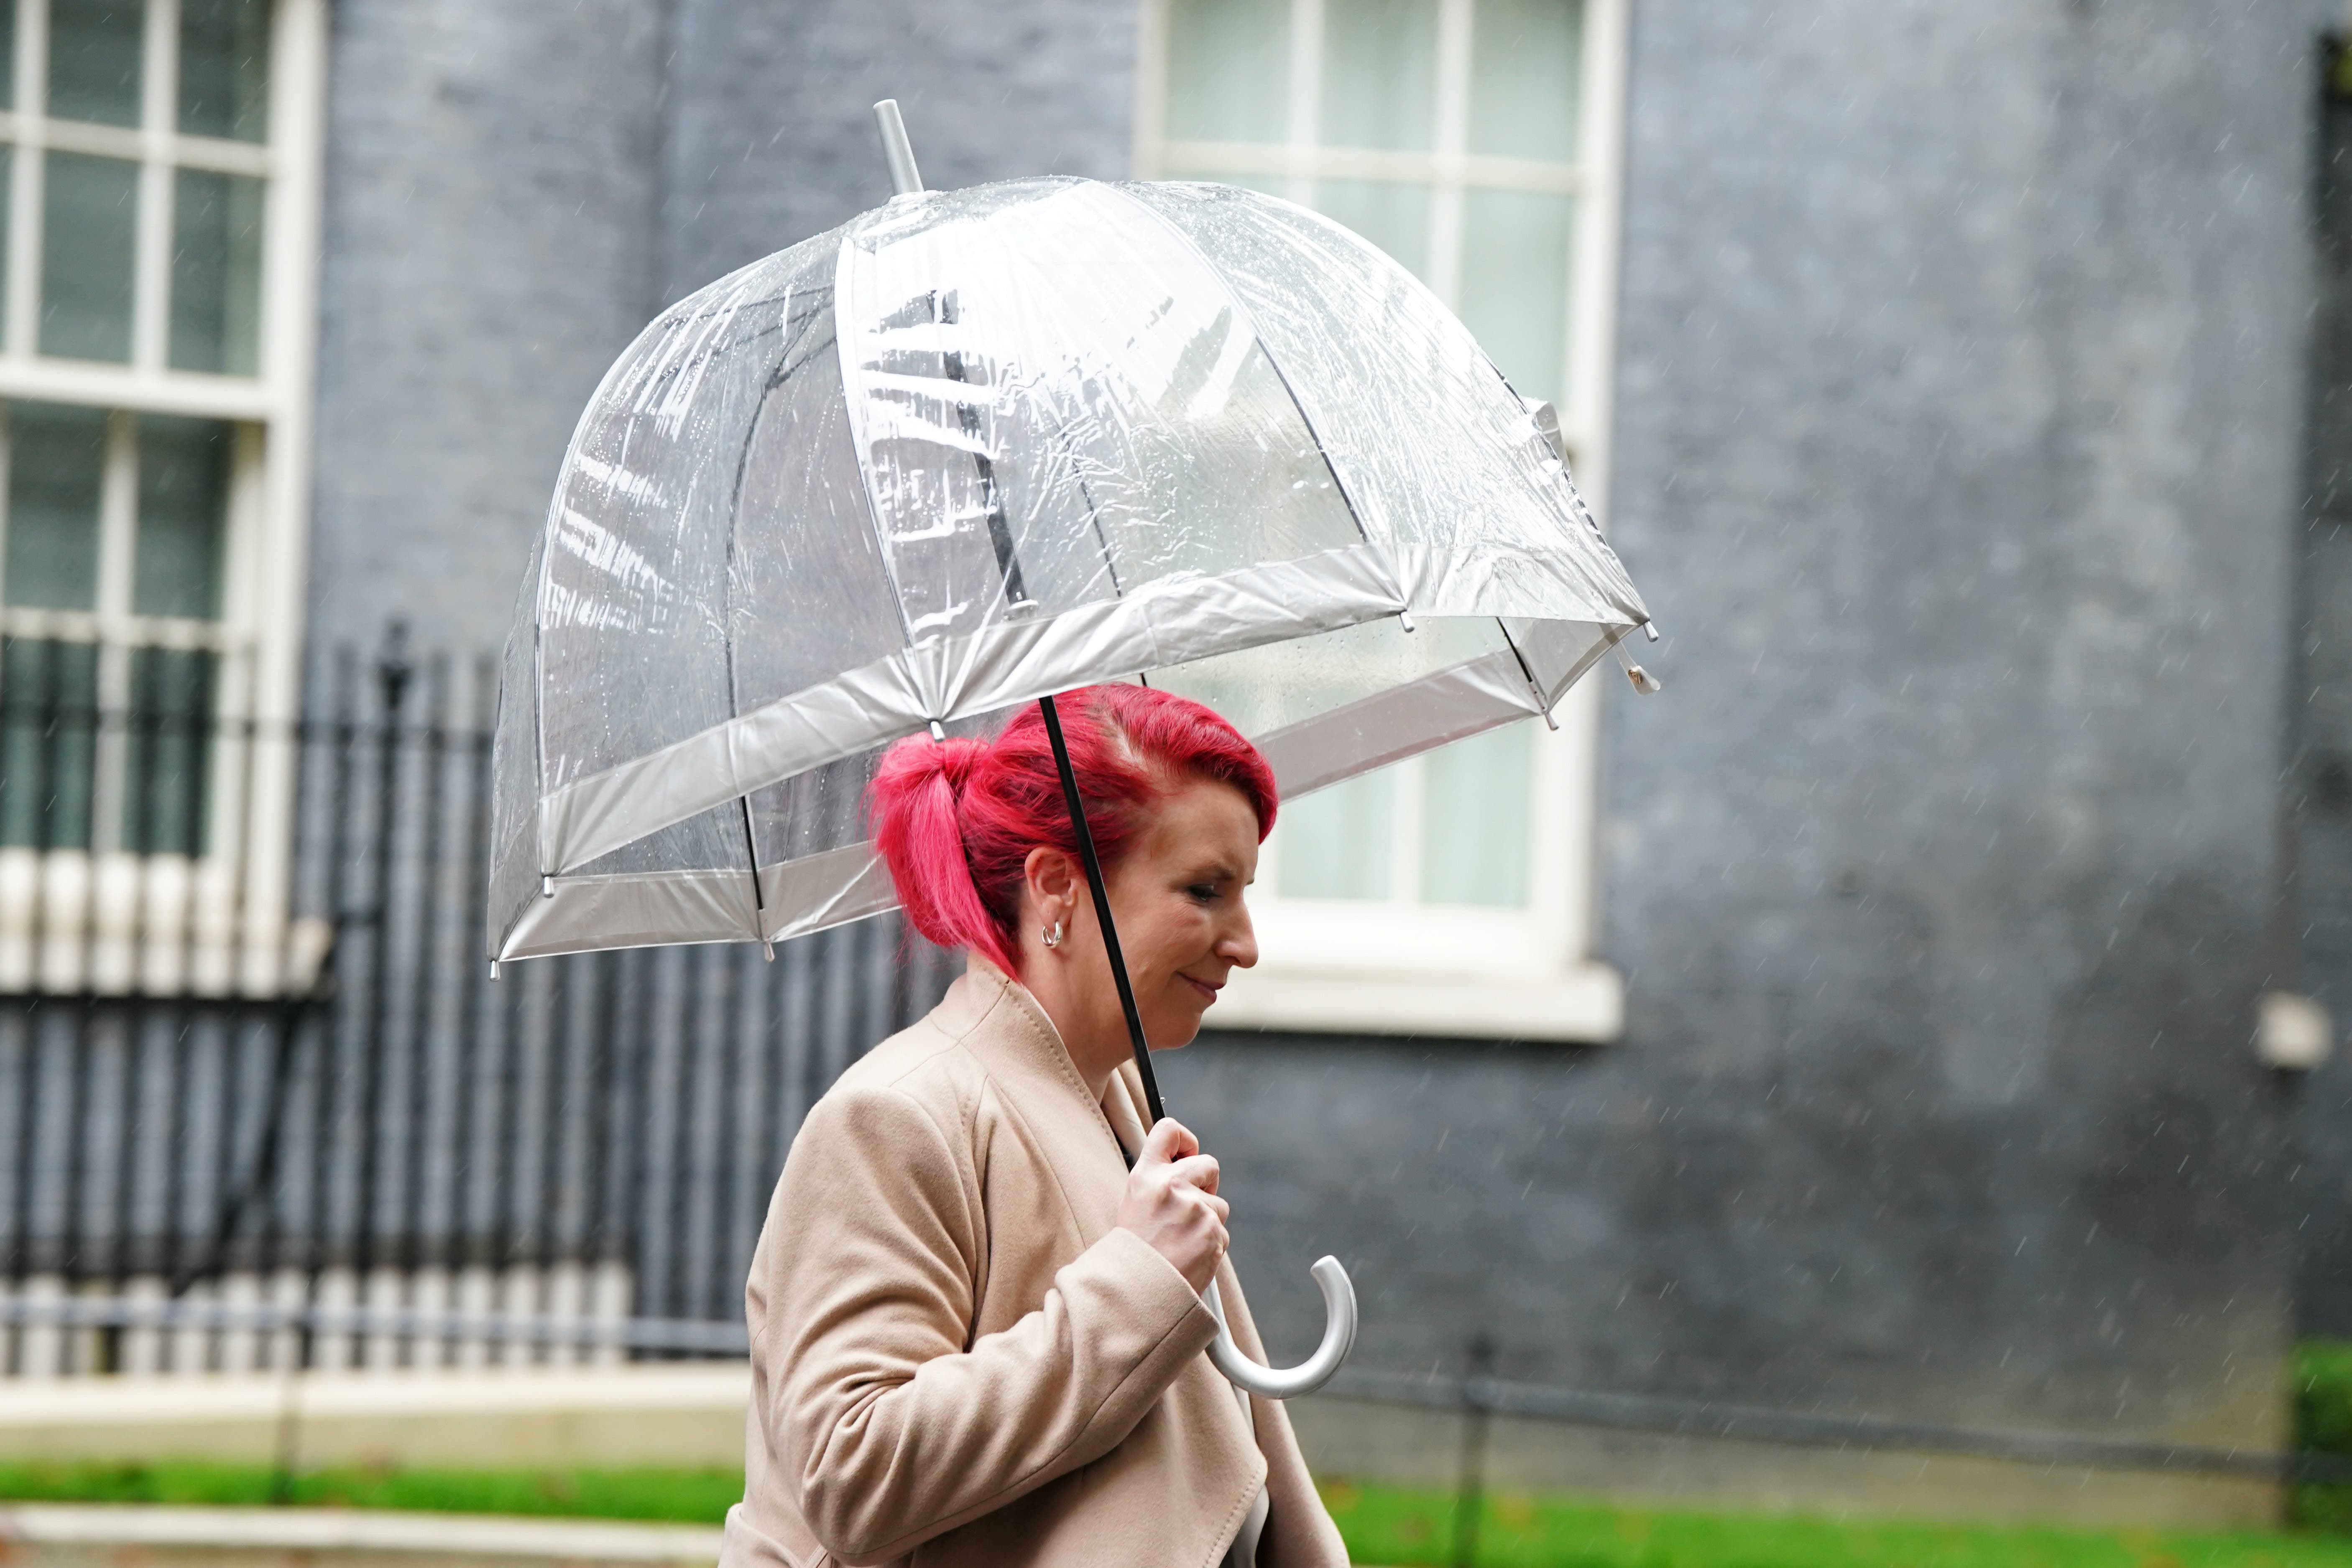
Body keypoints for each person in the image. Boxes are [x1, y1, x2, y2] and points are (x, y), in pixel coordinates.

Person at [720, 685, 1349, 1568]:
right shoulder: (897, 1114)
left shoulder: (1120, 1099)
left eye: (1241, 893)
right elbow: (851, 1474)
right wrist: (1136, 1285)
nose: (1243, 942)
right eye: (1204, 890)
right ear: (1057, 885)